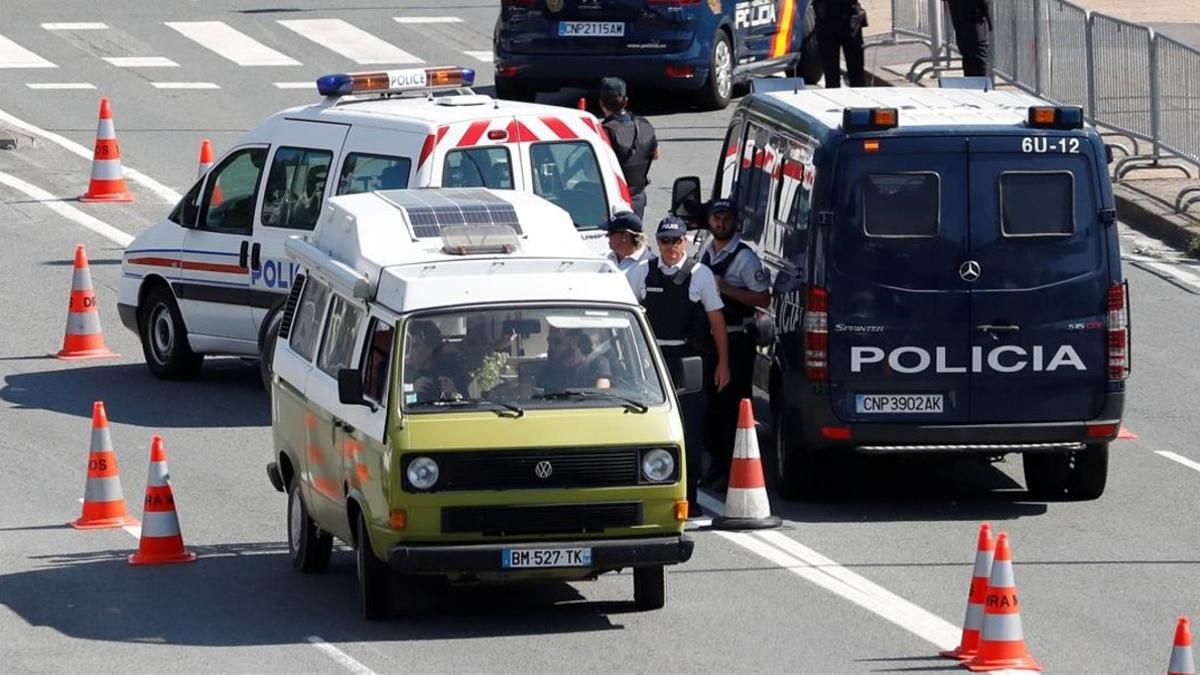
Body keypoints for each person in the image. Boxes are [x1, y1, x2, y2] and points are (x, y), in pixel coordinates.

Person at [626, 216, 730, 518]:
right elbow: (629, 319)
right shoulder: (642, 272)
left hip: (690, 361)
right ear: (657, 244)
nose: (671, 247)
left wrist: (723, 363)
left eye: (676, 240)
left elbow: (717, 323)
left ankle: (691, 498)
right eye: (665, 241)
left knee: (691, 429)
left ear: (685, 241)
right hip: (653, 361)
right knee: (649, 428)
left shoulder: (701, 275)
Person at [698, 198, 771, 491]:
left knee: (730, 409)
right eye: (716, 218)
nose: (721, 224)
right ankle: (714, 467)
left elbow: (763, 298)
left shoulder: (744, 257)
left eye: (726, 218)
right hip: (708, 339)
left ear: (734, 220)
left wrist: (727, 288)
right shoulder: (706, 249)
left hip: (736, 338)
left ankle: (729, 470)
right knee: (709, 408)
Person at [598, 77, 659, 219]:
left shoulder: (604, 131)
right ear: (625, 101)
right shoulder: (645, 125)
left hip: (613, 199)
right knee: (635, 237)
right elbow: (655, 153)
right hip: (637, 198)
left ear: (601, 103)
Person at [404, 320, 467, 404]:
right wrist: (411, 390)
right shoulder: (400, 373)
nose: (409, 351)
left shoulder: (451, 373)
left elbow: (469, 403)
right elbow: (391, 403)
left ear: (430, 348)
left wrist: (453, 393)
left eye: (415, 346)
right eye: (408, 346)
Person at [813, 0, 868, 88]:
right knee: (836, 76)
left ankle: (857, 98)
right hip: (832, 20)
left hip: (845, 20)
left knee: (854, 74)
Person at [538, 327, 612, 392]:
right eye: (549, 342)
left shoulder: (597, 364)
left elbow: (603, 395)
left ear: (573, 341)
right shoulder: (549, 371)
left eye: (557, 342)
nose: (551, 347)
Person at [945, 0, 991, 77]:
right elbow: (984, 4)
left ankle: (970, 86)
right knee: (978, 61)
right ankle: (977, 86)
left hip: (960, 24)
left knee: (968, 59)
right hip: (975, 24)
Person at [603, 211, 652, 279]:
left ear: (625, 235)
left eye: (611, 232)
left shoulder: (649, 266)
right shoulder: (604, 258)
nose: (607, 235)